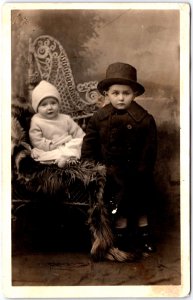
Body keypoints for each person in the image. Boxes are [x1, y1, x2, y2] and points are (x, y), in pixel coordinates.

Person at [81, 62, 157, 253]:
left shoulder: (145, 120)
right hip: (110, 172)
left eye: (126, 93)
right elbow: (89, 145)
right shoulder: (99, 118)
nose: (121, 98)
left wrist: (142, 171)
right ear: (107, 93)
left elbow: (149, 150)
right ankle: (120, 239)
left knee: (140, 207)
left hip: (137, 173)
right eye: (116, 93)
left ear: (135, 94)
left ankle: (144, 237)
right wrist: (90, 168)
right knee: (118, 209)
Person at [29, 80, 85, 168]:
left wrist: (80, 140)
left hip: (66, 145)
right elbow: (36, 140)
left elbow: (77, 132)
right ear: (37, 108)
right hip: (50, 149)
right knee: (40, 154)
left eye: (53, 103)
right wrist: (51, 145)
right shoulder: (36, 120)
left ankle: (66, 159)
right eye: (44, 105)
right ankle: (62, 160)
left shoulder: (65, 118)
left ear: (58, 104)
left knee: (75, 146)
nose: (50, 107)